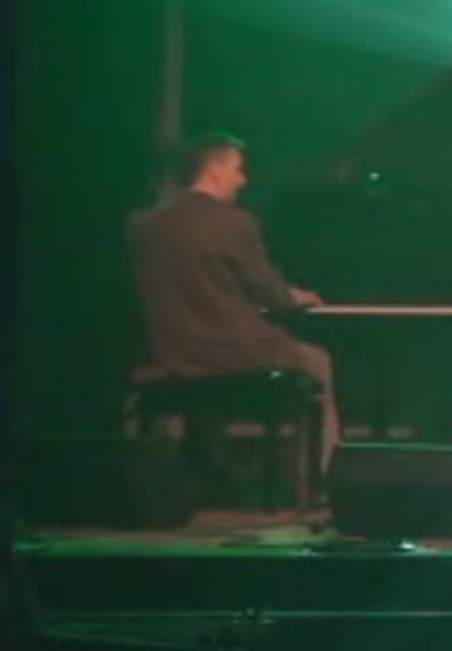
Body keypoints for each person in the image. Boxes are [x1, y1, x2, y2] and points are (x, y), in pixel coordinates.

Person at [131, 133, 340, 474]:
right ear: (214, 169)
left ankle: (209, 471)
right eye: (238, 169)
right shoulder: (234, 222)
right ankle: (318, 479)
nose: (243, 180)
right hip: (230, 353)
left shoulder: (147, 227)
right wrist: (295, 295)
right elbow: (273, 295)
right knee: (318, 361)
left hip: (168, 355)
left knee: (207, 394)